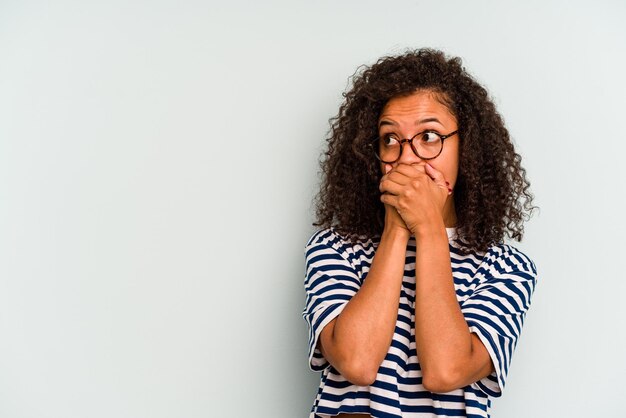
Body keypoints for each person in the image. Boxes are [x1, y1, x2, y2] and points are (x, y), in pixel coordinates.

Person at [302, 49, 538, 418]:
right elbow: (356, 362)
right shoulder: (335, 248)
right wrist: (398, 226)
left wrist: (429, 230)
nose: (407, 158)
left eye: (429, 136)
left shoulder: (506, 267)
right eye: (390, 140)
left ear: (468, 148)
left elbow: (446, 371)